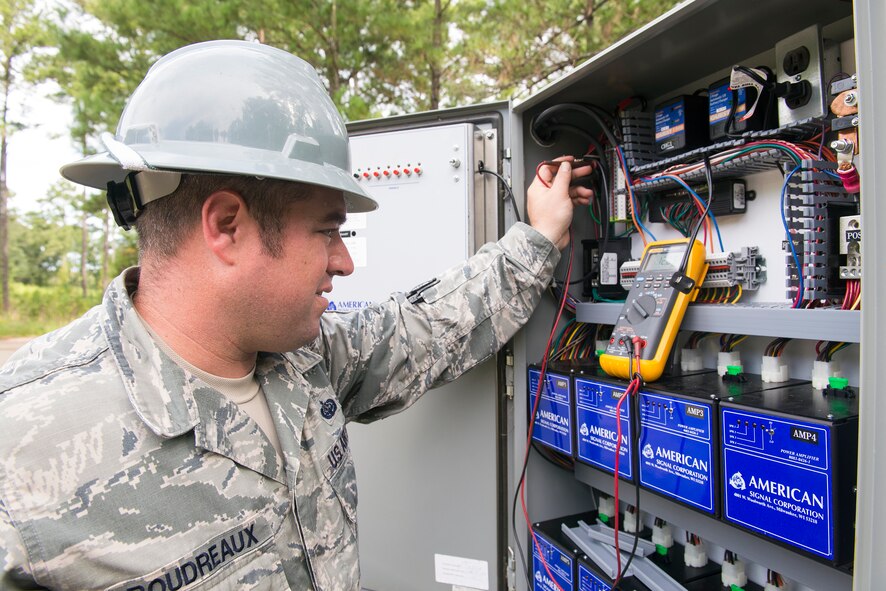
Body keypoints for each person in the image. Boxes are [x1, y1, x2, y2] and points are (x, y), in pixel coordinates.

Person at [0, 40, 590, 590]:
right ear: (227, 226)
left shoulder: (303, 360)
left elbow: (427, 330)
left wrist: (537, 238)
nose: (346, 261)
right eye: (328, 230)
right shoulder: (23, 453)